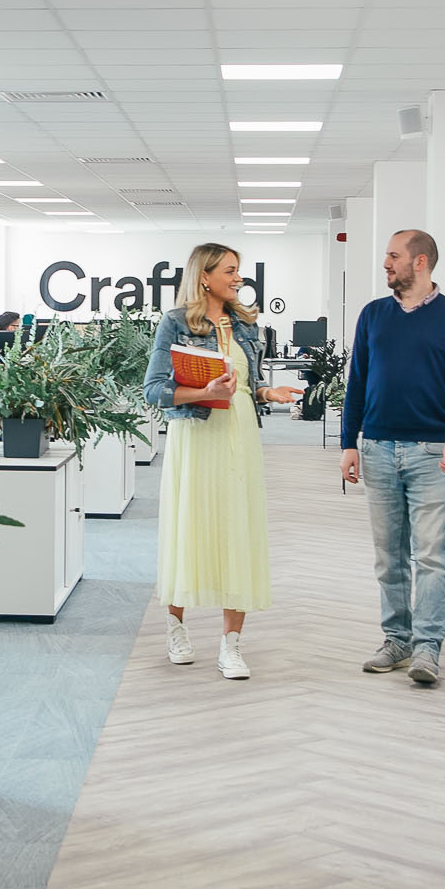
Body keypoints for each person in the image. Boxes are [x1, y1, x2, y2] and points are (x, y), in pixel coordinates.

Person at [141, 242, 302, 679]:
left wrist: (271, 393)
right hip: (195, 435)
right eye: (230, 271)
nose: (238, 278)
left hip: (239, 436)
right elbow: (153, 390)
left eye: (239, 271)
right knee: (187, 526)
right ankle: (176, 628)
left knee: (237, 529)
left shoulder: (247, 324)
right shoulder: (175, 323)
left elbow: (249, 385)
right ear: (204, 276)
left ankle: (231, 645)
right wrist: (204, 394)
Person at [341, 229, 445, 689]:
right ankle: (396, 640)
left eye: (393, 257)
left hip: (429, 453)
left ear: (420, 263)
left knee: (432, 558)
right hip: (378, 448)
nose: (386, 264)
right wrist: (349, 443)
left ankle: (427, 648)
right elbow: (356, 383)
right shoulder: (373, 315)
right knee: (388, 558)